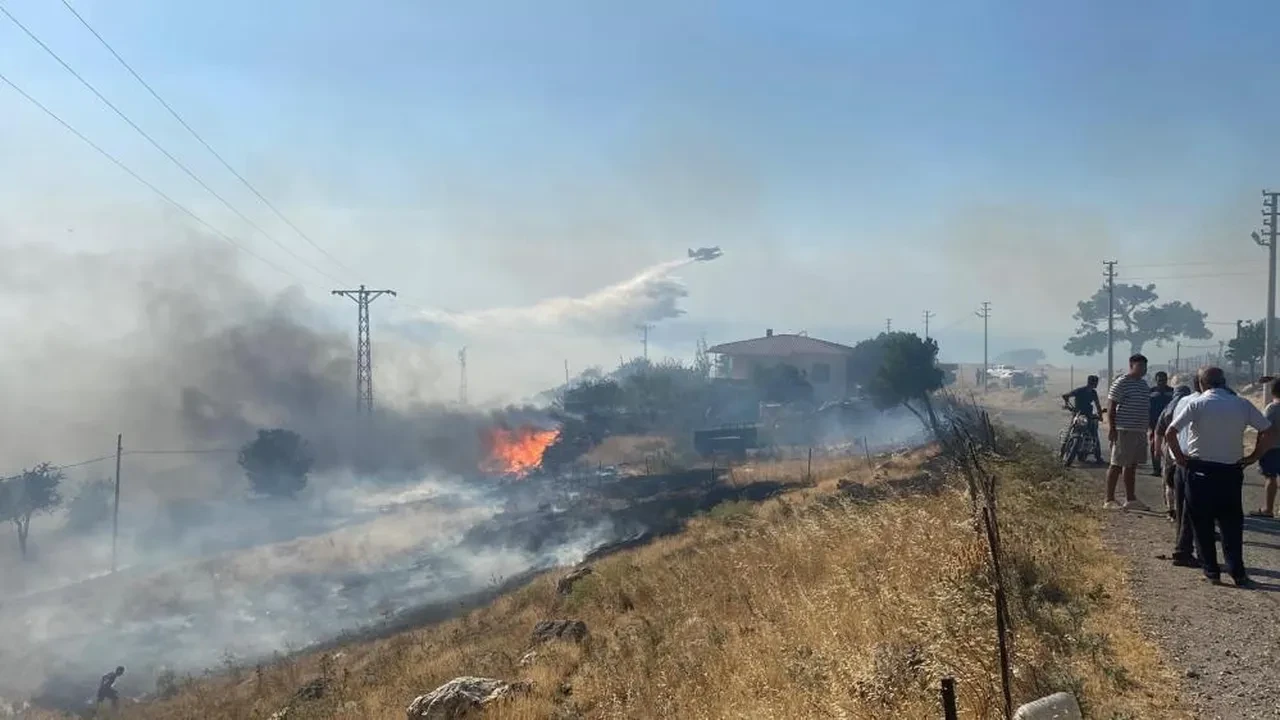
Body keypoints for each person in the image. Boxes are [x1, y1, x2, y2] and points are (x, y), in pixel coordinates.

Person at [1165, 367, 1275, 586]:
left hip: (1200, 470)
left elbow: (1170, 433)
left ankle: (1211, 570)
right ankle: (1237, 571)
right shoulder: (1241, 404)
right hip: (1230, 470)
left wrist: (1180, 459)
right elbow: (1268, 431)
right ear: (1224, 382)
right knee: (1231, 523)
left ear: (1202, 384)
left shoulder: (1197, 404)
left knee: (1201, 522)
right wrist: (1253, 456)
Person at [1154, 375, 1198, 566]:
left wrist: (1157, 449)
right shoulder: (1192, 404)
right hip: (1188, 452)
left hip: (1171, 450)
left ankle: (1171, 510)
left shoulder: (1170, 407)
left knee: (1168, 482)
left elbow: (1159, 431)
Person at [1105, 354, 1152, 510]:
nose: (1143, 370)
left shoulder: (1144, 385)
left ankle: (1130, 499)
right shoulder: (1122, 383)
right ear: (1131, 365)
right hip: (1124, 429)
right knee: (1117, 464)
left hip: (1139, 430)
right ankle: (1109, 499)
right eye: (1140, 367)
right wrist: (1112, 428)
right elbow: (1111, 407)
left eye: (1145, 367)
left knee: (1131, 465)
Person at [1250, 376, 1280, 518]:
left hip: (1272, 448)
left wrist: (1258, 448)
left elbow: (1263, 429)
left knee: (1271, 478)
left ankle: (1268, 509)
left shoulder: (1272, 408)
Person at [1062, 375, 1105, 464]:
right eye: (1095, 382)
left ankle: (1098, 457)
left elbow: (1098, 405)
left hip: (1089, 415)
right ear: (1091, 382)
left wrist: (1100, 416)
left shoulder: (1093, 393)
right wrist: (1067, 404)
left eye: (1096, 382)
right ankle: (1062, 450)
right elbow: (1065, 395)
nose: (1096, 384)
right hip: (1078, 414)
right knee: (1071, 430)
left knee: (1094, 434)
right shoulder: (1079, 390)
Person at [1148, 371, 1174, 477]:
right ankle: (1156, 469)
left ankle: (1169, 468)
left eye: (1163, 380)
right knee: (1154, 445)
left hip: (1169, 422)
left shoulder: (1172, 391)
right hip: (1154, 422)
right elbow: (1147, 407)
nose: (1161, 382)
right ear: (1156, 380)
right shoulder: (1151, 391)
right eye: (1159, 380)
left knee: (1170, 445)